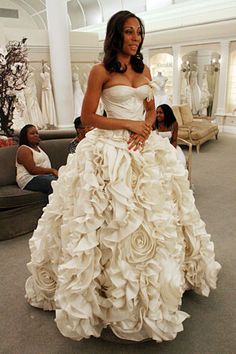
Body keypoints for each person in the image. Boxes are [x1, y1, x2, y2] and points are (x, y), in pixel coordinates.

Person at [25, 10, 221, 343]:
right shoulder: (99, 71)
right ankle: (105, 292)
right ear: (117, 35)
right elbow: (88, 117)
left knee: (158, 214)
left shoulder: (143, 69)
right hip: (109, 148)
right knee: (109, 217)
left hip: (142, 145)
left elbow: (149, 106)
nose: (136, 38)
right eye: (130, 32)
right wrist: (128, 125)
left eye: (139, 32)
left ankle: (163, 281)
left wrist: (145, 128)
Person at [16, 124, 58, 194]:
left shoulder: (37, 148)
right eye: (32, 133)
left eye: (37, 133)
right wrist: (52, 171)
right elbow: (32, 170)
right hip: (29, 179)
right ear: (25, 136)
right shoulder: (24, 149)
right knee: (55, 183)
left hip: (43, 176)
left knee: (64, 180)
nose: (36, 135)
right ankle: (55, 204)